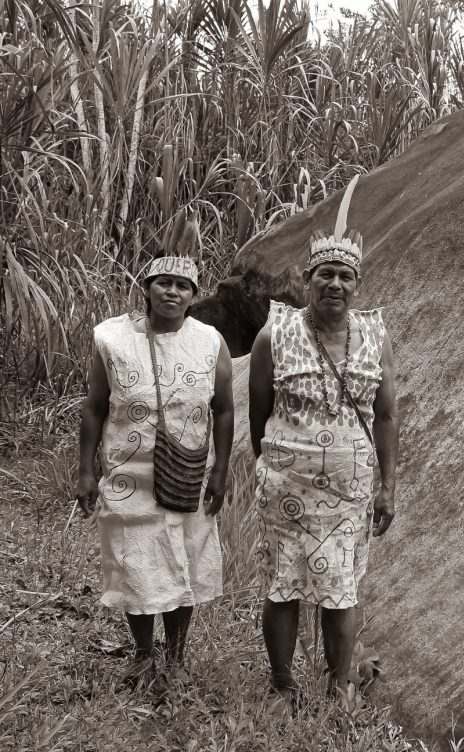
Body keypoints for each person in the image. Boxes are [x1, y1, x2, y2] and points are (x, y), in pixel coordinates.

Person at [248, 174, 398, 703]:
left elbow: (385, 415)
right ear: (307, 280)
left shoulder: (375, 338)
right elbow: (258, 414)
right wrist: (273, 464)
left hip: (348, 493)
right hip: (286, 490)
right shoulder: (276, 334)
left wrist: (388, 486)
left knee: (340, 592)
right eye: (325, 275)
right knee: (283, 584)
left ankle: (338, 686)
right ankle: (283, 682)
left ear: (357, 285)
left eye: (345, 276)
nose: (335, 284)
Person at [76, 255, 234, 686]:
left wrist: (220, 469)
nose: (172, 292)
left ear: (193, 296)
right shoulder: (113, 338)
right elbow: (94, 407)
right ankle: (144, 656)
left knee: (184, 562)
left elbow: (223, 409)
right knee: (136, 565)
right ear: (147, 288)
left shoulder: (209, 341)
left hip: (187, 476)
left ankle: (177, 658)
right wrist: (86, 471)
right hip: (129, 477)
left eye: (183, 286)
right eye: (164, 282)